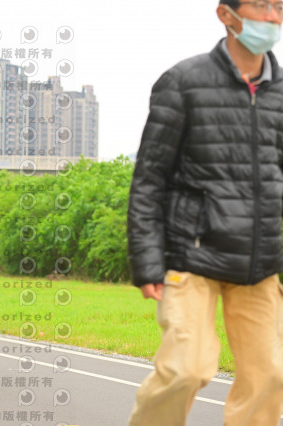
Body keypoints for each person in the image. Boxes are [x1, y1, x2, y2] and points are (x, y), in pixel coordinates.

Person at [127, 1, 283, 424]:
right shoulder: (183, 82)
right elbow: (149, 179)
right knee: (186, 369)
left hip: (259, 261)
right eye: (261, 6)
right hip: (191, 254)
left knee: (270, 376)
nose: (273, 17)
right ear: (226, 15)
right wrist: (147, 261)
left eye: (279, 6)